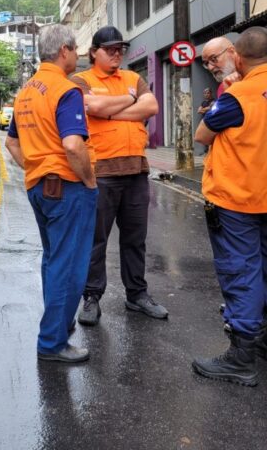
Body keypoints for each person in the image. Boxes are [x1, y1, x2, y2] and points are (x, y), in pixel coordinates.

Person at [192, 26, 267, 387]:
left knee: (240, 269)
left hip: (239, 198)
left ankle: (241, 355)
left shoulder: (239, 95)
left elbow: (202, 135)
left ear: (238, 58)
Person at [5, 23, 98, 363]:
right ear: (64, 51)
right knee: (68, 264)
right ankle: (52, 342)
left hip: (39, 187)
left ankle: (57, 325)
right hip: (68, 187)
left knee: (52, 259)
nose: (77, 55)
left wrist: (35, 168)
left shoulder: (26, 91)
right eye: (75, 49)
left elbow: (12, 142)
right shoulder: (65, 89)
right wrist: (88, 180)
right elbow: (73, 145)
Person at [72, 26, 168, 326]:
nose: (117, 54)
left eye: (120, 49)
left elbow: (151, 106)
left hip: (136, 171)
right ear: (94, 52)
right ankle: (91, 297)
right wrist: (130, 102)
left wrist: (112, 110)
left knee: (135, 239)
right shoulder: (81, 80)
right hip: (101, 171)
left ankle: (136, 295)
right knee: (95, 239)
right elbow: (93, 106)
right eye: (110, 49)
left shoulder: (132, 78)